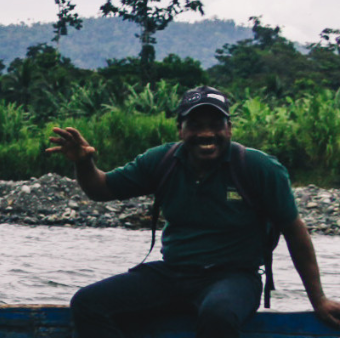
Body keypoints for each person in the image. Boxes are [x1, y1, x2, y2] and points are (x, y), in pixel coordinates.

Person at [50, 86, 340, 337]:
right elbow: (101, 190)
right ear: (181, 129)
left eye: (215, 124)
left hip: (234, 277)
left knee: (218, 315)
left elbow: (295, 231)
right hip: (172, 273)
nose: (206, 133)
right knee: (88, 303)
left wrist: (319, 300)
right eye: (195, 125)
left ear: (229, 129)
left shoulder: (258, 168)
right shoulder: (161, 160)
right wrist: (83, 164)